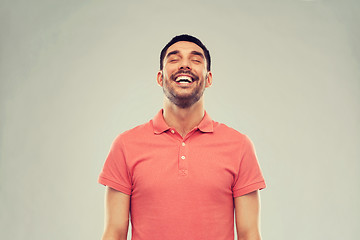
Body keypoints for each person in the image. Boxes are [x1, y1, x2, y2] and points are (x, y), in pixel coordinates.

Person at [98, 34, 266, 240]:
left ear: (208, 79)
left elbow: (250, 234)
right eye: (174, 59)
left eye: (195, 60)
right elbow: (114, 232)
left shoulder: (239, 146)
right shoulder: (125, 145)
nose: (185, 65)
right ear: (160, 77)